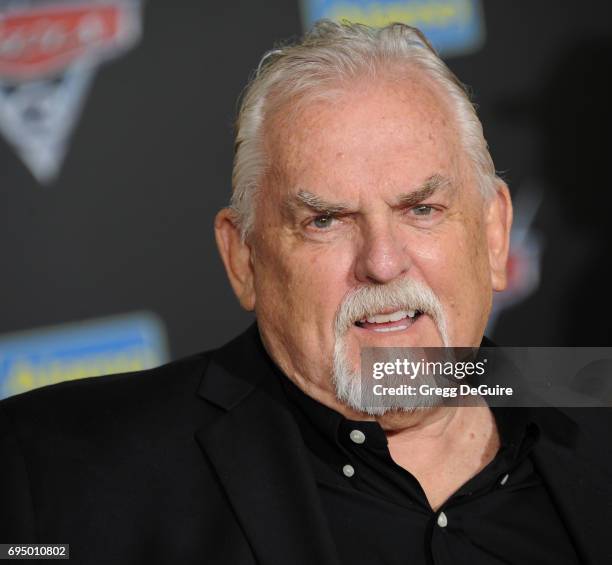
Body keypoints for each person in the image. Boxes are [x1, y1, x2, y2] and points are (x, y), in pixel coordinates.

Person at [1, 21, 610, 565]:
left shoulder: (595, 413)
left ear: (493, 232)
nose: (383, 262)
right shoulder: (61, 474)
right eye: (326, 220)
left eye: (421, 208)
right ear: (243, 257)